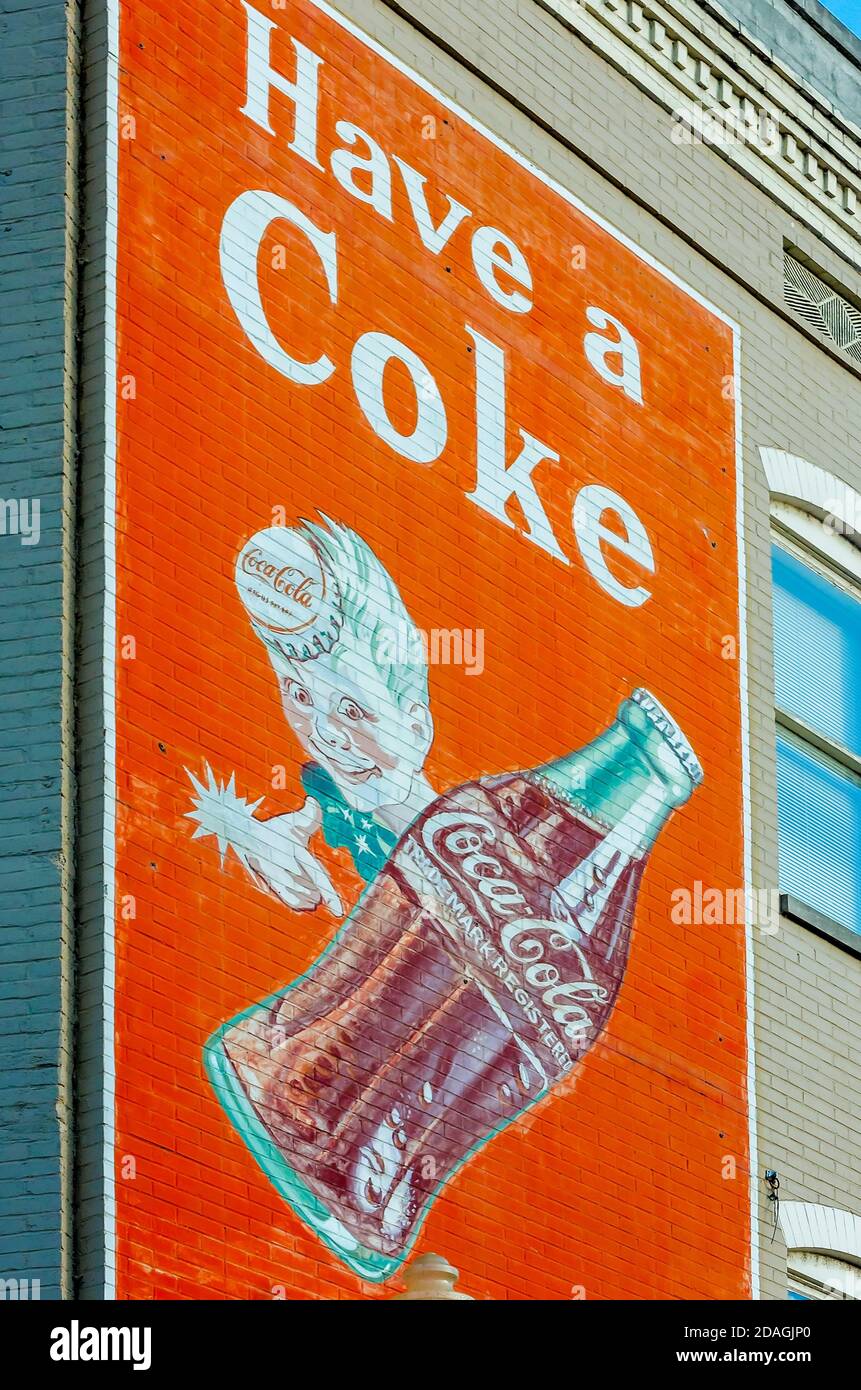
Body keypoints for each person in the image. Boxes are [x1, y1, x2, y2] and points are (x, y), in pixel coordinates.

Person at [187, 516, 436, 917]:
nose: (323, 733)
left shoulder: (498, 827)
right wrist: (259, 852)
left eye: (353, 710)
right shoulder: (326, 818)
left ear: (417, 729)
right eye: (301, 696)